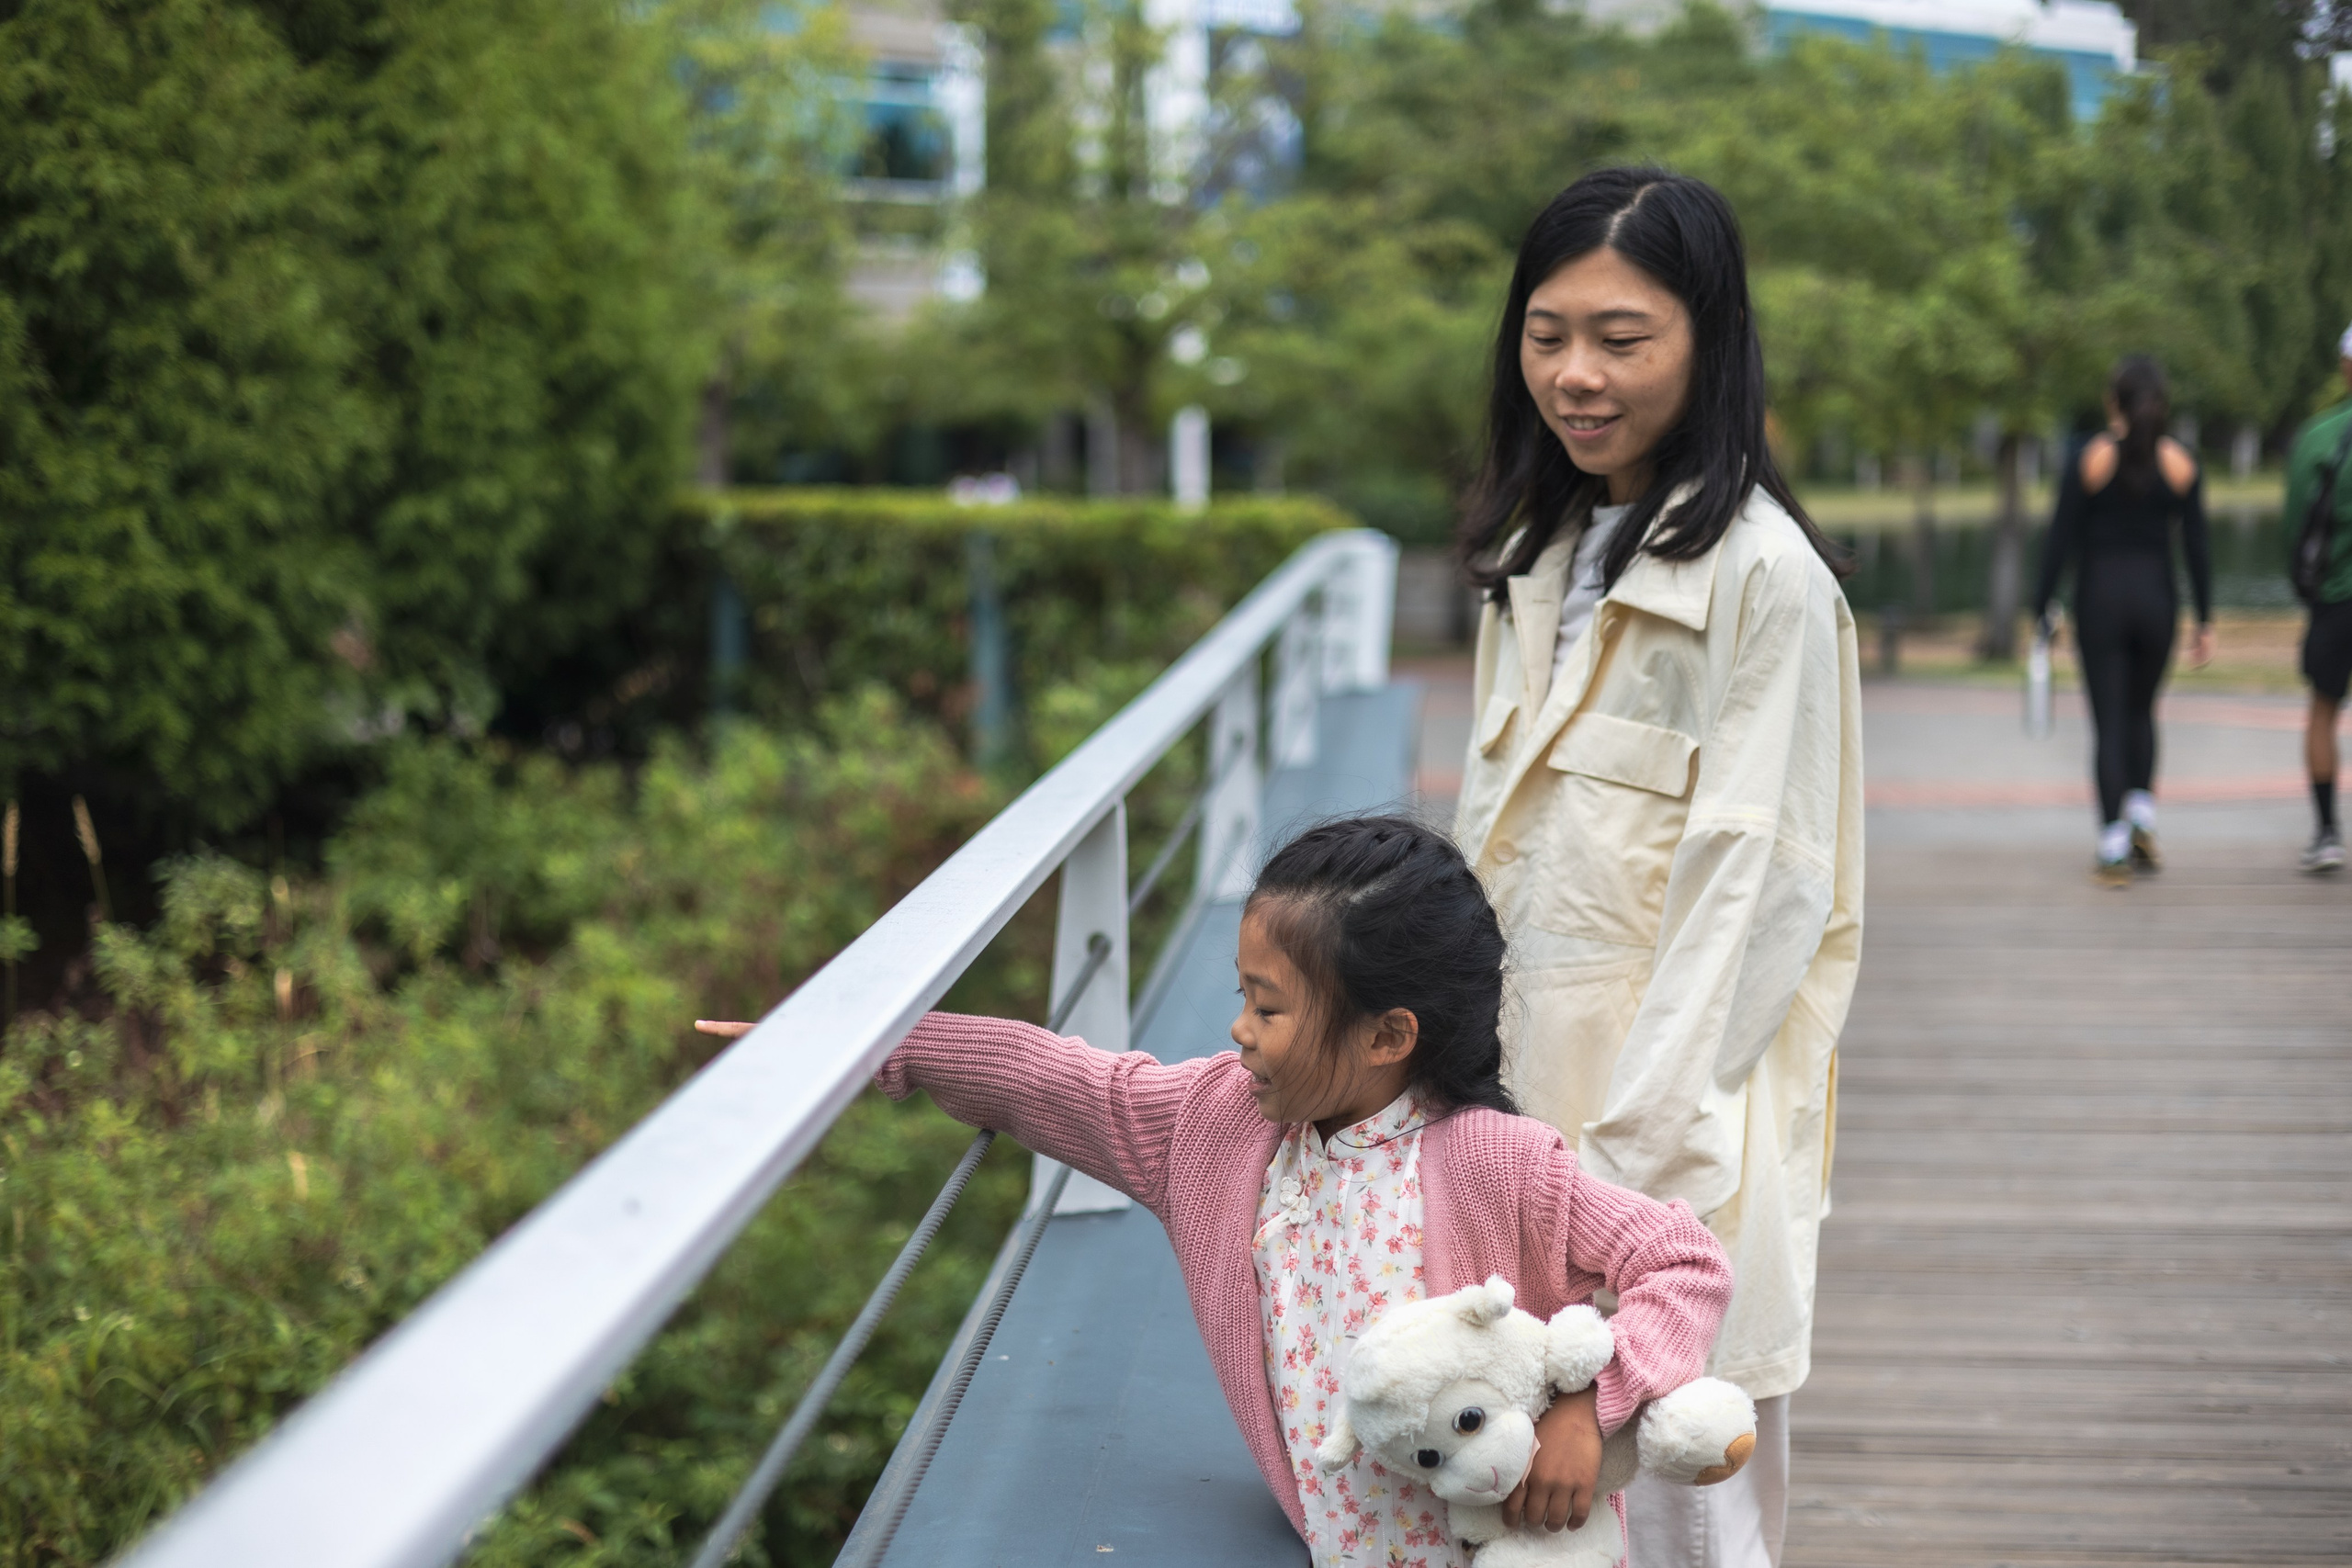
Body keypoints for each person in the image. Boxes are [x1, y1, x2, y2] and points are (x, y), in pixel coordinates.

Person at [709, 817, 1735, 1566]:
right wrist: (858, 1047)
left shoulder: (1495, 1159)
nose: (1238, 1028)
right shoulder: (1214, 1127)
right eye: (1242, 997)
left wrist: (1587, 1411)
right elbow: (1055, 1081)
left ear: (1387, 1037)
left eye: (1268, 1006)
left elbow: (1682, 1263)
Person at [1449, 167, 1863, 1568]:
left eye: (1623, 340)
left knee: (1688, 1525)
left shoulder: (1767, 582)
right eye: (1548, 332)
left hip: (1662, 1181)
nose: (1577, 374)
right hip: (1510, 1142)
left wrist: (1616, 1231)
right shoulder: (1534, 550)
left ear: (1710, 343)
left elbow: (1748, 920)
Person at [2031, 356, 2214, 886]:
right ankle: (2143, 820)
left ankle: (2113, 848)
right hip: (2159, 602)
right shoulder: (2181, 462)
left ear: (2114, 403)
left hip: (2102, 603)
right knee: (2142, 712)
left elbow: (2058, 541)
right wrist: (2206, 619)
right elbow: (2199, 548)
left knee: (2109, 720)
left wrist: (2040, 607)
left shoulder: (2089, 460)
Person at [2286, 324, 2352, 874]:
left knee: (2323, 711)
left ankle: (2328, 832)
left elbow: (2293, 528)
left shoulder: (2316, 437)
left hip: (2334, 599)